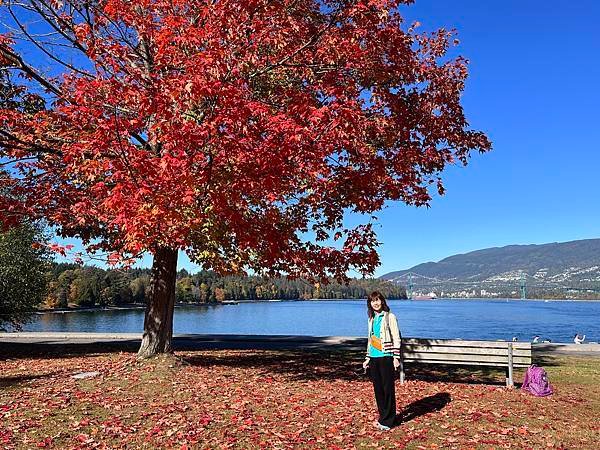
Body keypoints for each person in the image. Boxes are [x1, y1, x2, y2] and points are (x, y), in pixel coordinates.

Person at [362, 291, 402, 431]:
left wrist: (396, 357)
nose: (375, 303)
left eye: (378, 300)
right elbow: (370, 339)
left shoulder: (390, 317)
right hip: (374, 358)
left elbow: (397, 338)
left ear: (382, 301)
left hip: (386, 357)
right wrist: (367, 358)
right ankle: (383, 417)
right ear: (370, 304)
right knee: (378, 389)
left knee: (387, 388)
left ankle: (389, 420)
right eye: (373, 301)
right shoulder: (371, 318)